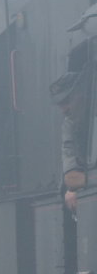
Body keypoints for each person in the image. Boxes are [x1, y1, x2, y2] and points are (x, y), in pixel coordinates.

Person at [51, 70, 90, 213]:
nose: (64, 109)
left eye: (66, 101)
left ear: (81, 92)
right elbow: (70, 162)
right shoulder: (69, 124)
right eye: (60, 104)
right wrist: (73, 188)